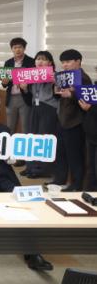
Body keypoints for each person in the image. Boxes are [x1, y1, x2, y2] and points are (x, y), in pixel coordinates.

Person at [0, 93, 53, 272]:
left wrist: (12, 157)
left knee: (25, 204)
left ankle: (33, 254)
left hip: (4, 173)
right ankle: (0, 239)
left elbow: (10, 153)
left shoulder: (5, 130)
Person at [56, 49, 92, 191]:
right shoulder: (65, 77)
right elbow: (59, 95)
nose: (65, 65)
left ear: (78, 61)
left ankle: (76, 185)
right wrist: (55, 86)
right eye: (63, 62)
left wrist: (71, 94)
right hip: (63, 120)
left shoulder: (84, 78)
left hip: (75, 122)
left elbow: (87, 100)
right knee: (62, 153)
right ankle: (60, 180)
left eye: (68, 61)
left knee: (75, 156)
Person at [21, 51, 59, 179]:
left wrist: (55, 82)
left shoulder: (55, 75)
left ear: (50, 62)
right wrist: (24, 88)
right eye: (38, 59)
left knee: (44, 138)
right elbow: (28, 98)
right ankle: (31, 166)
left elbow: (59, 95)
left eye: (44, 59)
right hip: (34, 107)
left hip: (49, 108)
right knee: (32, 137)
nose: (40, 62)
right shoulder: (32, 75)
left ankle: (42, 169)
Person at [2, 37, 36, 134]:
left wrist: (25, 86)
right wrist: (4, 82)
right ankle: (9, 143)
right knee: (10, 126)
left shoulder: (31, 62)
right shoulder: (8, 62)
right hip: (11, 98)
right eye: (15, 47)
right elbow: (4, 84)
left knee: (26, 126)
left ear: (24, 48)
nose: (17, 50)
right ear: (12, 49)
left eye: (20, 47)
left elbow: (34, 80)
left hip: (25, 97)